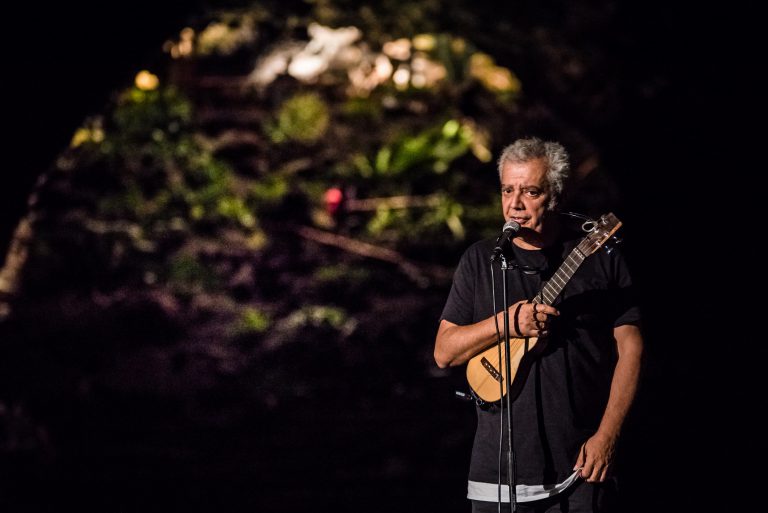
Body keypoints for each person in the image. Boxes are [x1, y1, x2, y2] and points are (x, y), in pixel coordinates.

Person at [434, 137, 643, 512]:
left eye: (530, 191)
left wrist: (607, 436)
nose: (515, 204)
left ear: (556, 196)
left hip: (582, 466)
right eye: (507, 190)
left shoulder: (599, 259)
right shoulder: (482, 260)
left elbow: (632, 348)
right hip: (496, 477)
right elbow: (444, 352)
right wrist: (507, 323)